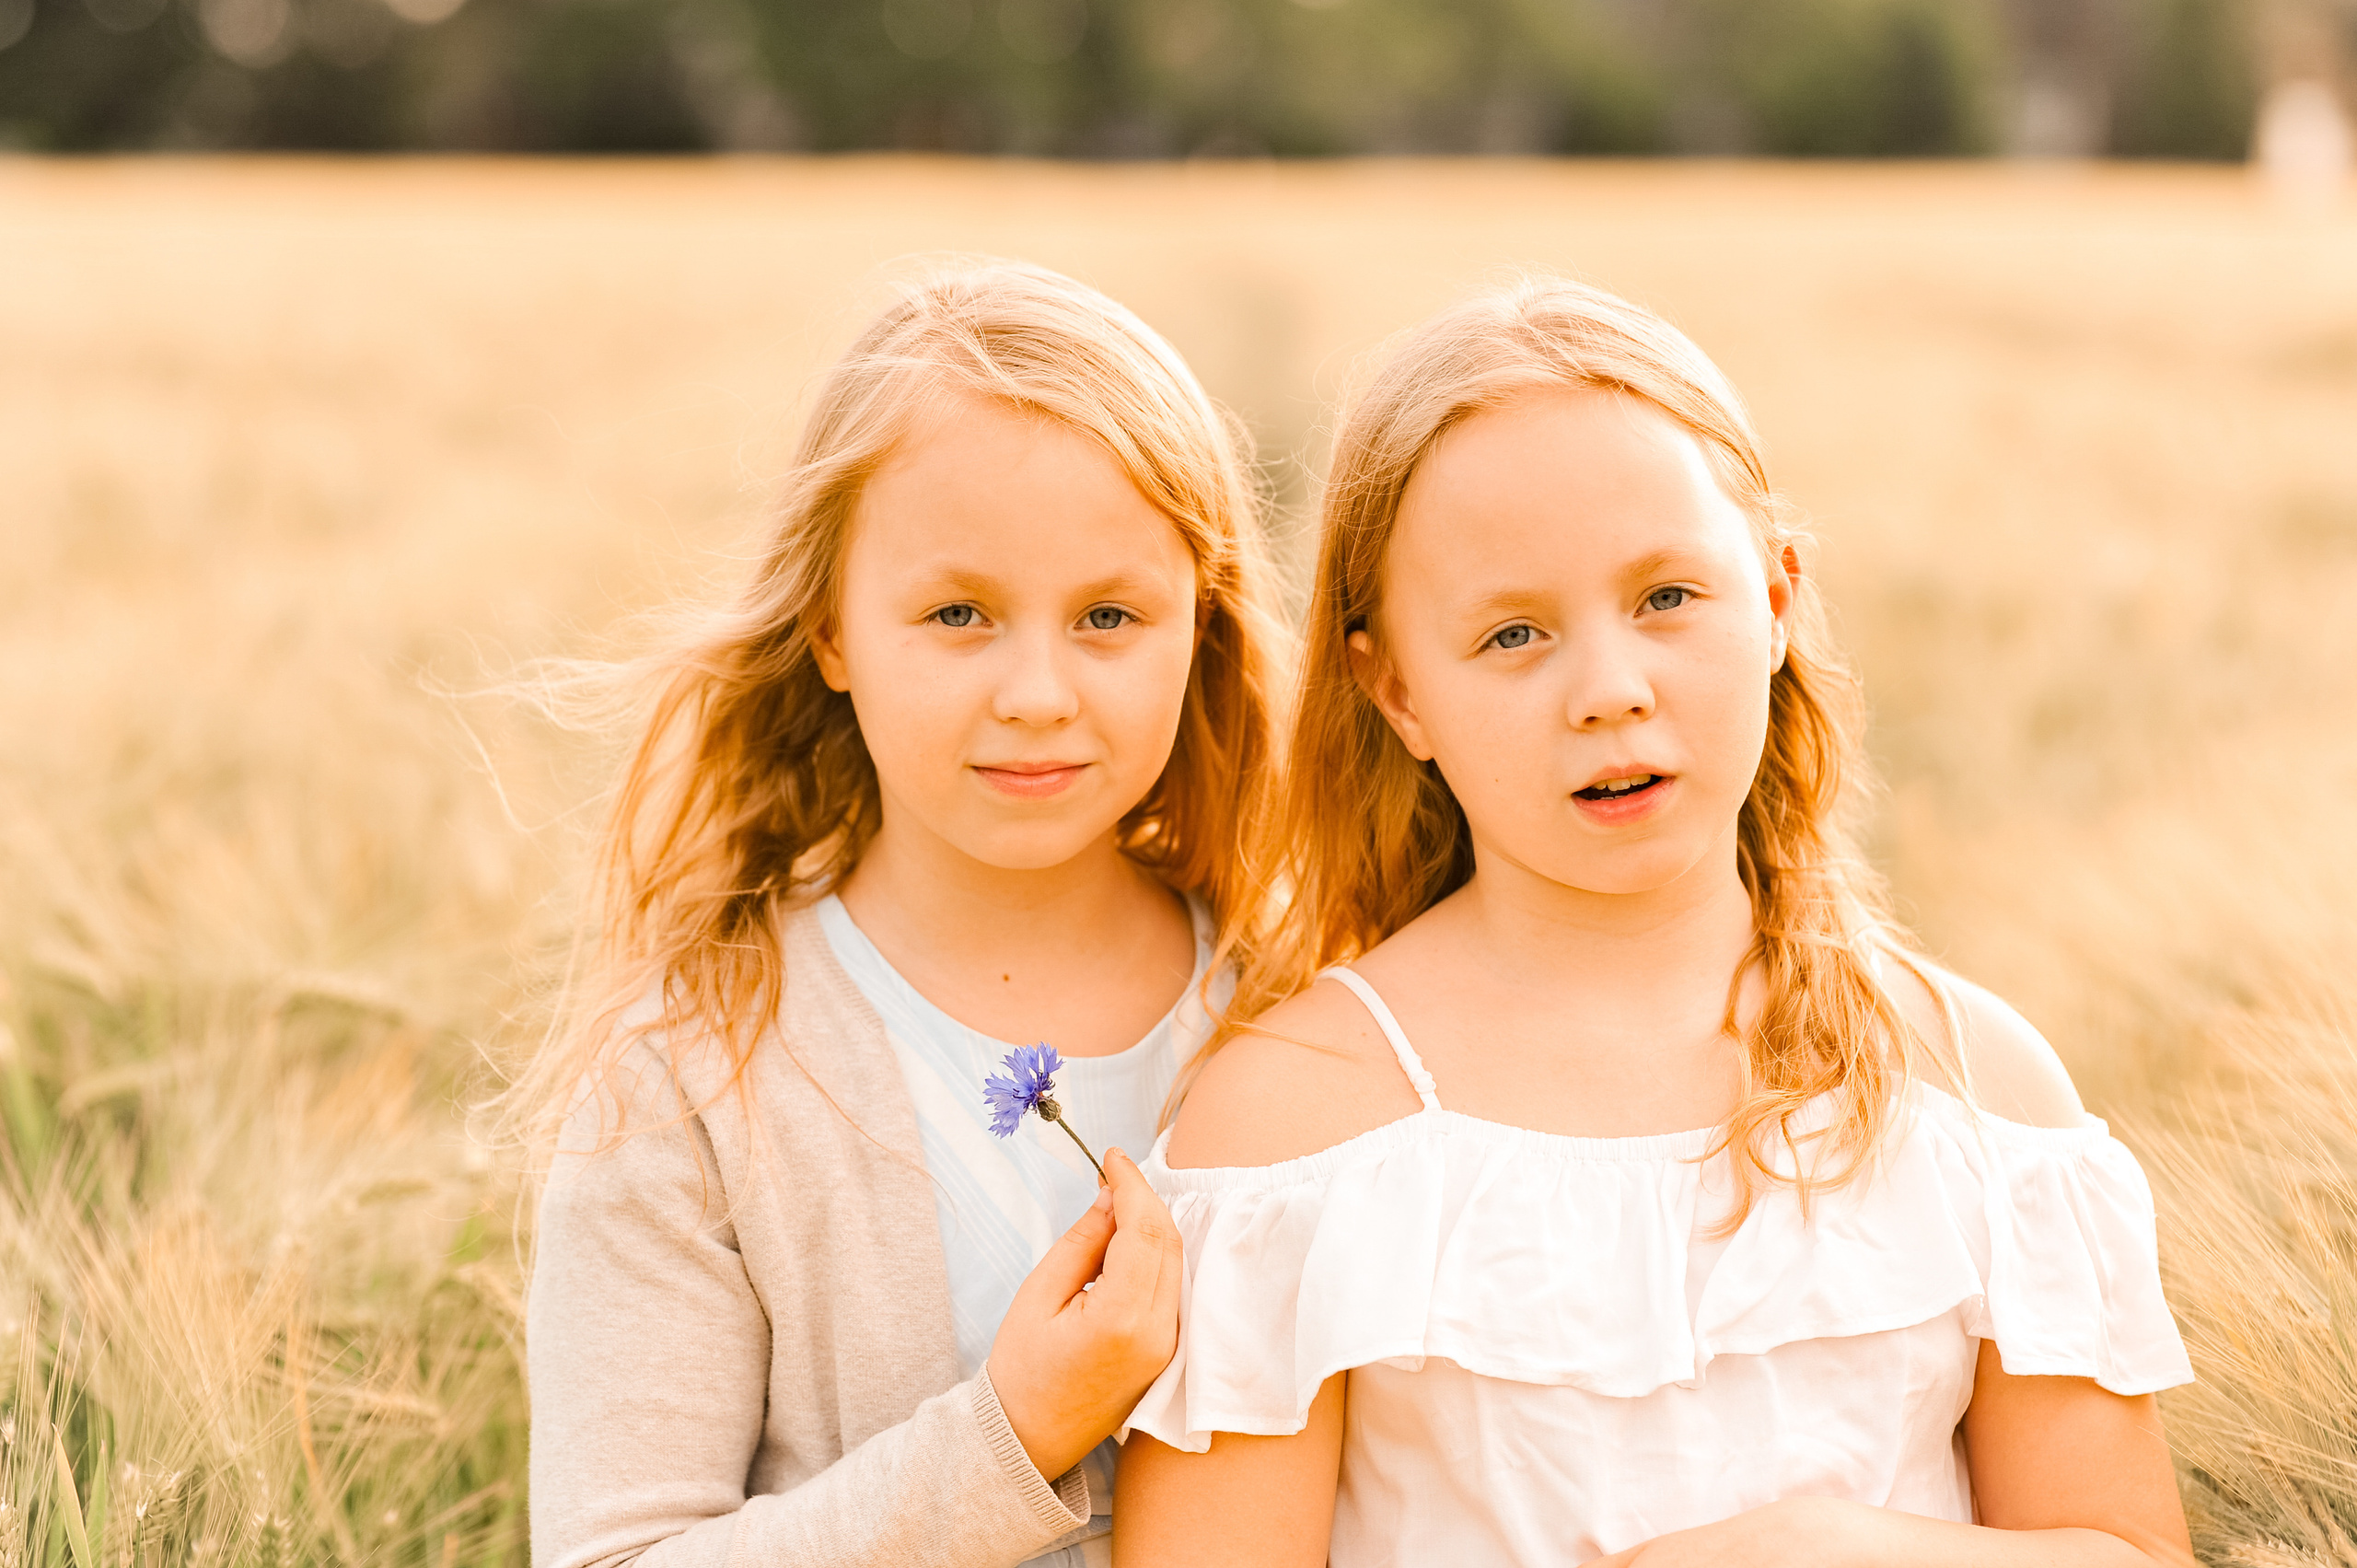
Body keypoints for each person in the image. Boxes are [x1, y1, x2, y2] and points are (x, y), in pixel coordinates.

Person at [1114, 274, 2197, 1568]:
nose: (1610, 690)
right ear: (1395, 689)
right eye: (1514, 634)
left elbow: (2128, 1554)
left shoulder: (1974, 1085)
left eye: (1669, 598)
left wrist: (1821, 1553)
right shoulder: (1293, 1127)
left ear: (1780, 597)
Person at [520, 259, 1288, 1568]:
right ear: (831, 630)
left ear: (1200, 627)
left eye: (1110, 615)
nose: (1038, 690)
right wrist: (1012, 1433)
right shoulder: (692, 1075)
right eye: (959, 613)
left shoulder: (1300, 1004)